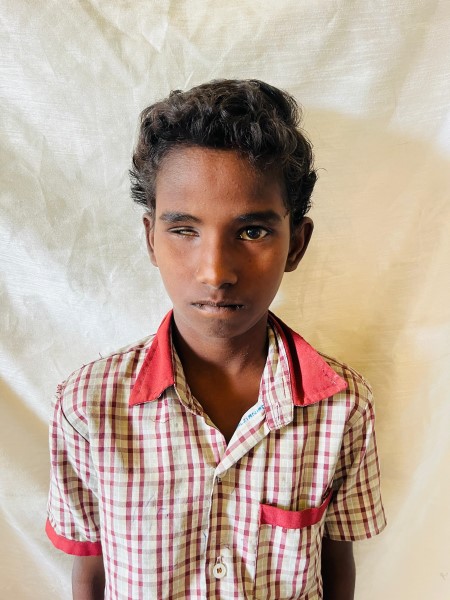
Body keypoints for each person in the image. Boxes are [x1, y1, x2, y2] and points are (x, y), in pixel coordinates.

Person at [46, 79, 386, 600]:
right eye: (185, 230)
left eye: (252, 231)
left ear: (297, 244)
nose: (215, 271)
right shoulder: (87, 407)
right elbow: (90, 573)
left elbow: (337, 565)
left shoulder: (343, 408)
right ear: (151, 239)